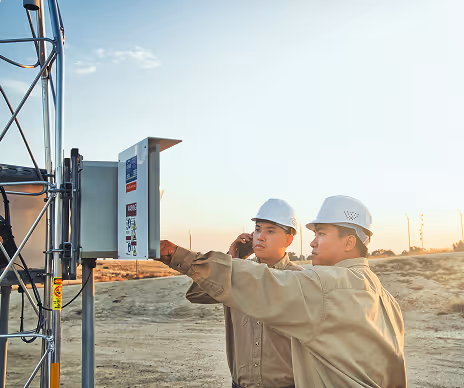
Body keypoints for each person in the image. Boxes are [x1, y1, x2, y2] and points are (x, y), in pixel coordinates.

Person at [158, 196, 407, 387]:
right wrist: (233, 259)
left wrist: (178, 254)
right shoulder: (386, 299)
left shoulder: (312, 283)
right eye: (258, 229)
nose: (312, 242)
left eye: (321, 234)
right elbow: (394, 369)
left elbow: (260, 282)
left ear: (349, 242)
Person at [186, 199, 302, 388]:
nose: (261, 237)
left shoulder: (302, 280)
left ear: (289, 239)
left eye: (270, 231)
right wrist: (231, 258)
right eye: (257, 229)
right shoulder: (234, 273)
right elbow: (196, 294)